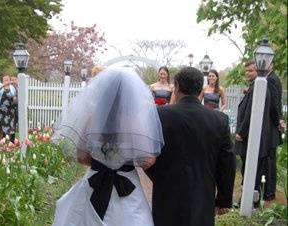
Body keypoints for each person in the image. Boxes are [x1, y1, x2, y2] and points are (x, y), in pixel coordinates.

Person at [51, 67, 164, 226]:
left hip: (94, 181)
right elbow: (148, 160)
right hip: (127, 185)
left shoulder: (91, 117)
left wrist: (101, 160)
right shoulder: (136, 121)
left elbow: (81, 157)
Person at [147, 67, 236, 226]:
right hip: (202, 196)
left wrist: (161, 177)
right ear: (200, 89)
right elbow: (227, 163)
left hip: (167, 195)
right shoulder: (219, 120)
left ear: (177, 87)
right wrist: (224, 199)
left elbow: (146, 155)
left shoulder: (159, 116)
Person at [234, 60, 272, 207]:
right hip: (251, 137)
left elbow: (251, 112)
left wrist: (241, 132)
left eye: (251, 70)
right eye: (246, 71)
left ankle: (248, 202)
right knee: (248, 170)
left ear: (259, 71)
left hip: (250, 138)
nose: (247, 73)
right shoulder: (254, 86)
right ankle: (246, 200)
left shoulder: (259, 86)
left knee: (251, 171)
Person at [264, 62, 283, 201]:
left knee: (270, 160)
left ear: (272, 65)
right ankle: (269, 191)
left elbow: (274, 104)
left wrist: (277, 123)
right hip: (272, 126)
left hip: (271, 126)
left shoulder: (271, 79)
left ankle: (269, 192)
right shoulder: (271, 78)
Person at [0, 74, 17, 143]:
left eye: (8, 79)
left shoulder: (11, 87)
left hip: (8, 111)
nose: (7, 80)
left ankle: (9, 145)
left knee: (9, 127)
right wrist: (3, 85)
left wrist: (8, 89)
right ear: (2, 80)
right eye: (5, 79)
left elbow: (12, 94)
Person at [10, 76, 18, 143]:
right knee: (12, 124)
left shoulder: (20, 88)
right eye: (12, 80)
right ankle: (11, 140)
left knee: (16, 123)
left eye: (15, 80)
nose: (14, 81)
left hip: (18, 108)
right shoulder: (9, 89)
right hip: (10, 108)